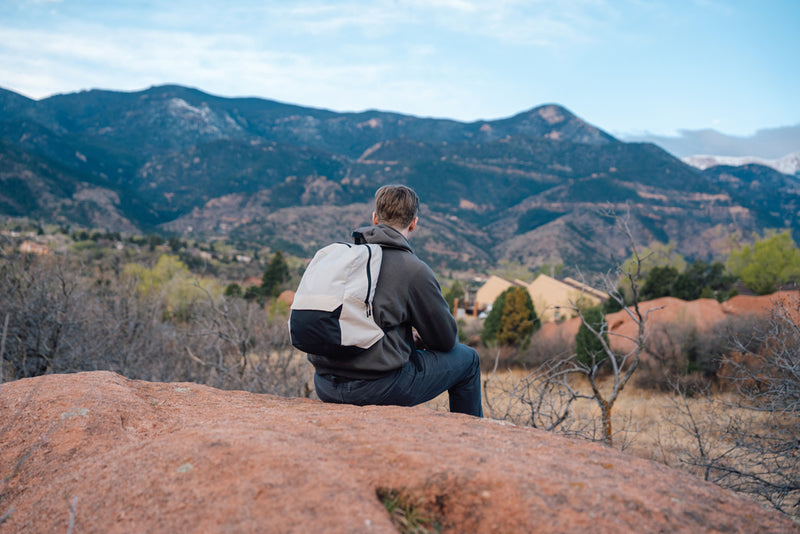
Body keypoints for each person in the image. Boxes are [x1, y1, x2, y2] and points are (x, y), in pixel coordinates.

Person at [309, 184, 483, 417]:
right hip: (377, 389)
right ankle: (470, 440)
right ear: (413, 223)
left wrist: (400, 336)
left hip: (326, 384)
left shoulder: (345, 260)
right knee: (468, 360)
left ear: (374, 218)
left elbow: (354, 321)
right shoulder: (413, 270)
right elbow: (445, 340)